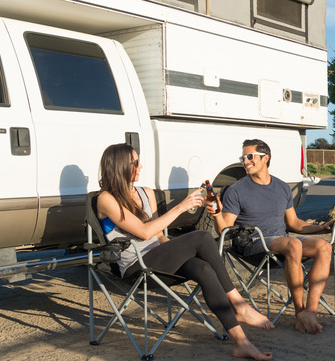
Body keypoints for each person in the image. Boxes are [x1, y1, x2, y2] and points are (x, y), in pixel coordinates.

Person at [96, 143, 273, 360]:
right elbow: (143, 232)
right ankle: (239, 304)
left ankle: (241, 342)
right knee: (202, 237)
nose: (140, 166)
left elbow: (159, 236)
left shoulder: (146, 193)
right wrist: (180, 207)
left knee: (203, 268)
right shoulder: (106, 198)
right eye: (135, 162)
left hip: (158, 258)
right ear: (119, 165)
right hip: (136, 266)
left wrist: (178, 247)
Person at [212, 139, 334, 334]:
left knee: (324, 247)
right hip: (253, 243)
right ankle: (299, 311)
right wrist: (217, 215)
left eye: (249, 156)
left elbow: (294, 223)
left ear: (265, 158)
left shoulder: (282, 187)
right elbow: (225, 228)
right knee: (293, 244)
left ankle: (310, 312)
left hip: (282, 241)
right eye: (243, 157)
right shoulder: (237, 190)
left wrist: (321, 228)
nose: (245, 161)